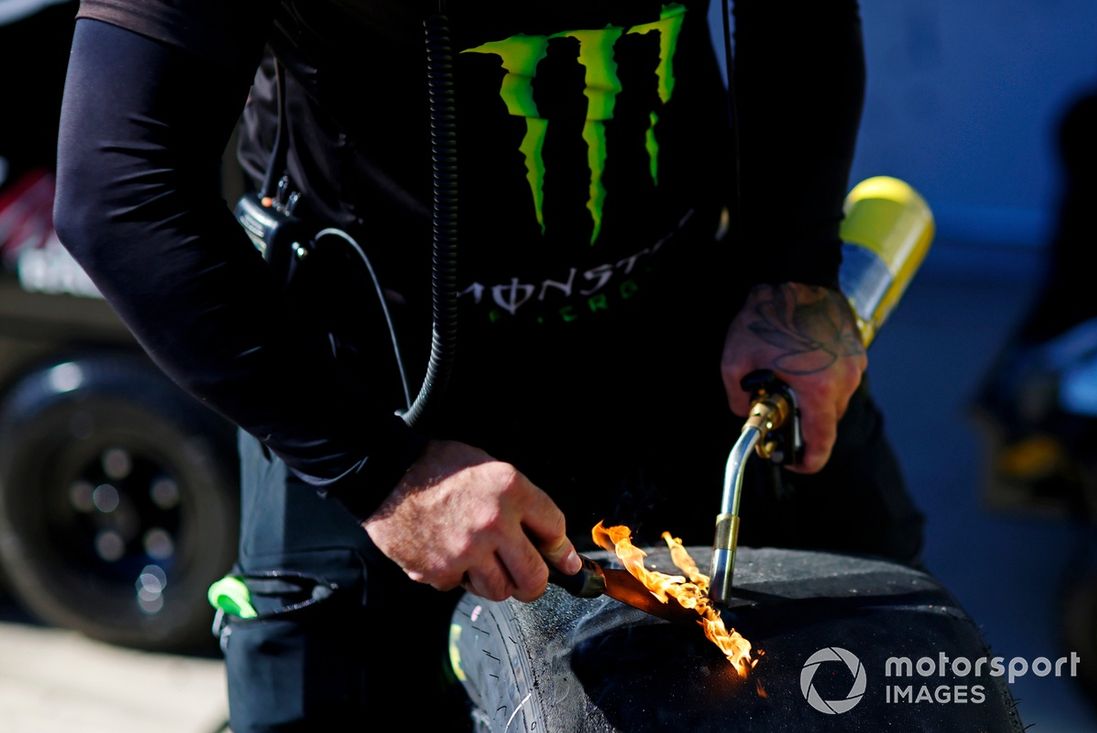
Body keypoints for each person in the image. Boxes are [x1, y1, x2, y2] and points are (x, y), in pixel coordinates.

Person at [53, 0, 925, 729]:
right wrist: (383, 473)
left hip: (679, 340)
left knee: (889, 665)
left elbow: (797, 23)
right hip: (371, 388)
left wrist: (793, 274)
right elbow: (118, 190)